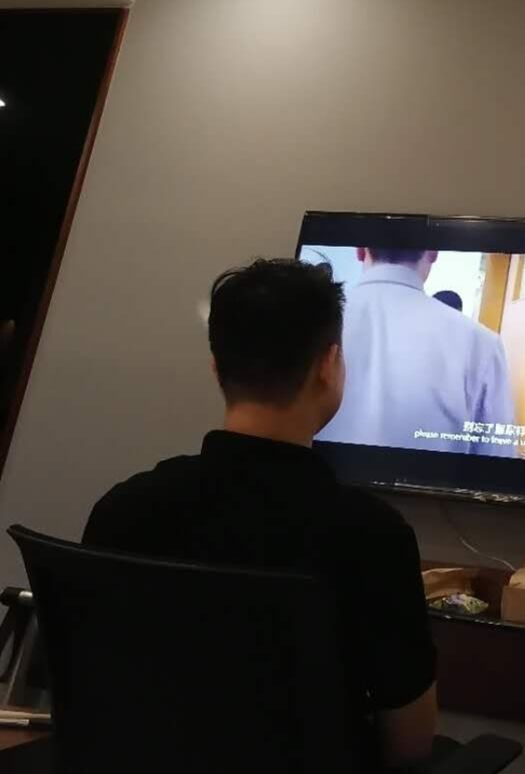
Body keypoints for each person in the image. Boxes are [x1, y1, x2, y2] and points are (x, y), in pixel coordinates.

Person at [83, 259, 438, 772]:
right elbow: (411, 746)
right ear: (329, 364)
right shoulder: (371, 537)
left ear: (216, 368)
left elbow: (96, 690)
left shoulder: (124, 508)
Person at [319, 248, 515, 456]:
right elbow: (498, 459)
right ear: (433, 253)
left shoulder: (312, 320)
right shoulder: (482, 343)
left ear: (359, 251)